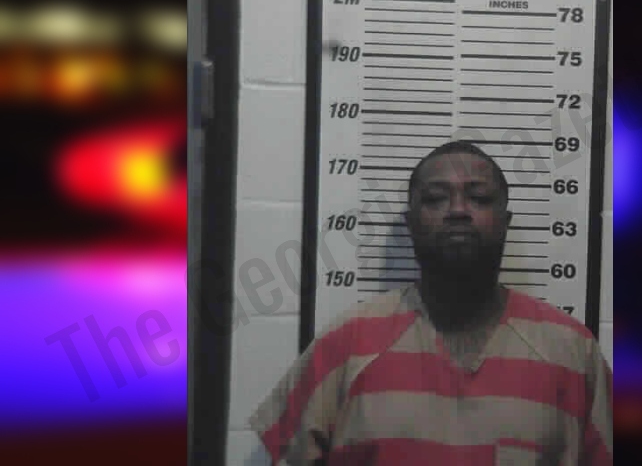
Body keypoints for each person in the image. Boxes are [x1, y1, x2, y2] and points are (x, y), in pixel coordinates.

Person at [249, 141, 612, 465]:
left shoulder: (572, 352)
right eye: (436, 198)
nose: (458, 210)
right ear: (410, 223)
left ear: (505, 222)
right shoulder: (345, 345)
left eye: (479, 198)